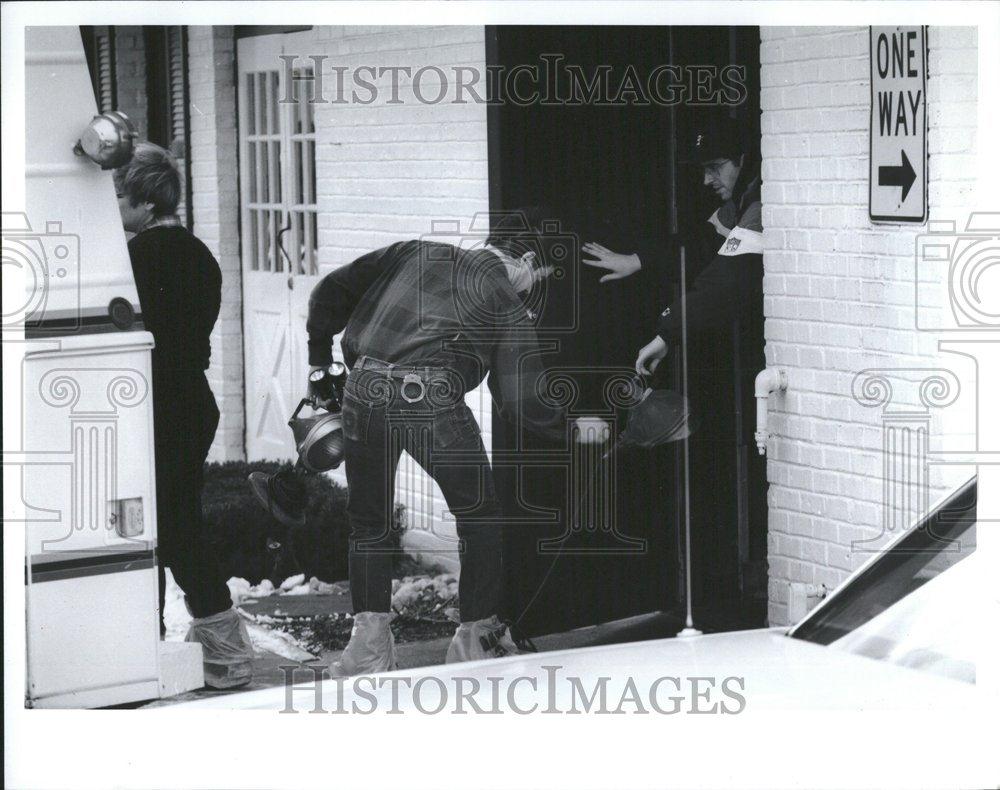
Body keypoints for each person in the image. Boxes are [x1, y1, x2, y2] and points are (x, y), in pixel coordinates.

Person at [302, 213, 605, 676]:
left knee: (368, 524)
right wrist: (572, 427)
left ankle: (367, 654)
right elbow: (523, 399)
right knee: (480, 518)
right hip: (430, 402)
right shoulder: (503, 294)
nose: (530, 292)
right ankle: (474, 646)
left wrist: (319, 358)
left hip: (362, 390)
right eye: (535, 281)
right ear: (524, 261)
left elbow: (330, 290)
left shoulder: (414, 251)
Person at [115, 142, 254, 690]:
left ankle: (155, 649)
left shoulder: (133, 260)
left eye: (121, 197)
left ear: (147, 203)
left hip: (155, 405)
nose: (116, 208)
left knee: (155, 525)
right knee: (172, 521)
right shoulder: (200, 254)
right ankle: (215, 648)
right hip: (190, 403)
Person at [580, 115, 763, 380]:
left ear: (743, 160)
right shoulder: (739, 202)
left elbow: (724, 283)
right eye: (703, 170)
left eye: (714, 167)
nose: (706, 180)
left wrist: (667, 332)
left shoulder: (757, 207)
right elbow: (702, 243)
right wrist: (638, 260)